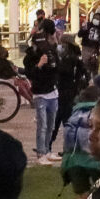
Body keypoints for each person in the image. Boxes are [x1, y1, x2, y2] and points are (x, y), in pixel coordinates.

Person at [24, 21, 61, 163]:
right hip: (40, 94)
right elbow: (30, 74)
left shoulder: (52, 51)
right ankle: (41, 153)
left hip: (53, 92)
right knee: (42, 125)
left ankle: (47, 150)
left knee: (51, 125)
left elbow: (57, 67)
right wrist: (39, 64)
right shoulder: (32, 56)